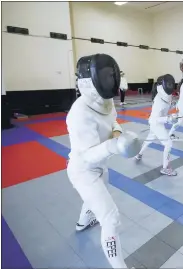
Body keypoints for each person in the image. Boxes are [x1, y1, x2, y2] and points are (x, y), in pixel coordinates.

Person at [66, 54, 142, 269]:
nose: (110, 79)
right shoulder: (79, 113)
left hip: (101, 167)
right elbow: (87, 155)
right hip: (83, 171)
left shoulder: (106, 102)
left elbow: (114, 121)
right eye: (104, 75)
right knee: (110, 218)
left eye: (110, 75)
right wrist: (115, 146)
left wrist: (118, 134)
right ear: (89, 80)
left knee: (93, 201)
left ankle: (83, 222)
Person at [135, 75, 179, 176]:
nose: (170, 85)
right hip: (156, 123)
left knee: (149, 139)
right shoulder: (159, 100)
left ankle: (139, 154)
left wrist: (173, 104)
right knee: (168, 144)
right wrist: (168, 119)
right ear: (162, 85)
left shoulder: (167, 95)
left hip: (156, 123)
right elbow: (155, 118)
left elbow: (166, 106)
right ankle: (165, 168)